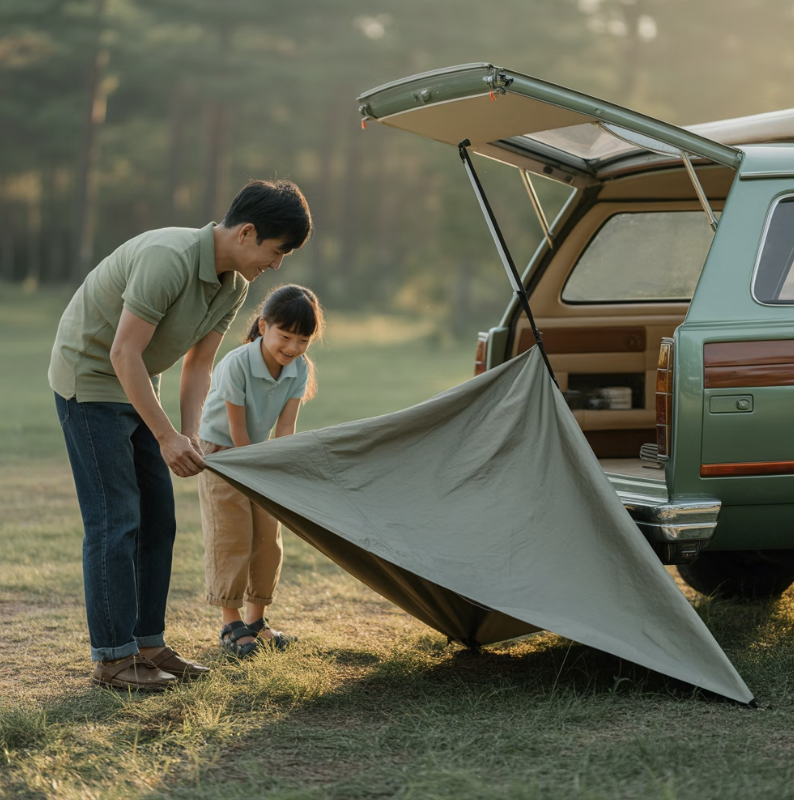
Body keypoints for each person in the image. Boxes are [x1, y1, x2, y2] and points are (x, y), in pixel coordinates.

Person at [49, 180, 312, 690]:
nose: (277, 265)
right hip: (89, 379)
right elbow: (121, 353)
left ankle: (148, 645)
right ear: (249, 232)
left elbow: (199, 364)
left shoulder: (233, 285)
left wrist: (187, 433)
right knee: (116, 520)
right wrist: (166, 435)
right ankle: (112, 658)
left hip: (136, 384)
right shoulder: (168, 258)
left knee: (159, 521)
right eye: (277, 251)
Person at [197, 284, 324, 657]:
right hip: (224, 453)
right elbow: (236, 431)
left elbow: (285, 428)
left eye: (303, 340)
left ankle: (256, 621)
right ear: (263, 325)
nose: (293, 348)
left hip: (260, 455)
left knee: (269, 538)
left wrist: (281, 467)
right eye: (285, 336)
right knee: (232, 535)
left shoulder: (299, 369)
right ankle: (231, 623)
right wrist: (257, 464)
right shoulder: (236, 363)